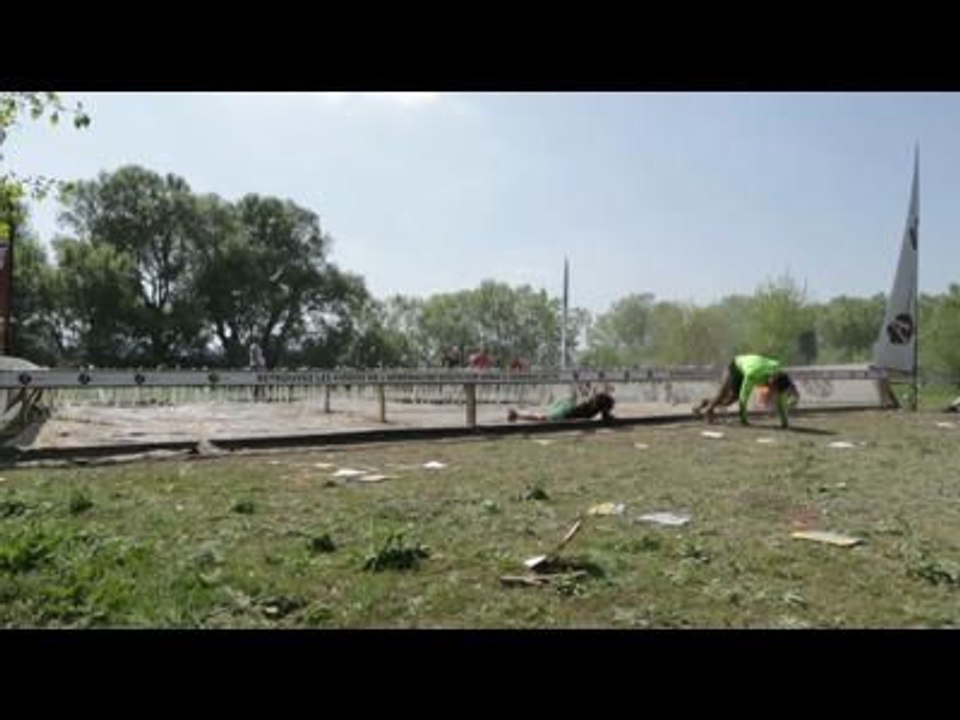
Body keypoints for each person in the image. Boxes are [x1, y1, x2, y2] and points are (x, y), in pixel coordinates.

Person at [693, 353, 800, 428]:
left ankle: (705, 403)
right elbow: (743, 397)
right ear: (772, 382)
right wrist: (744, 420)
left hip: (751, 366)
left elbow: (780, 402)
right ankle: (708, 410)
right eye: (773, 390)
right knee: (723, 393)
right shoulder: (753, 374)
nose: (773, 393)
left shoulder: (779, 379)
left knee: (729, 401)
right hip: (737, 367)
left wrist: (785, 423)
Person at [507, 387, 615, 423]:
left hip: (567, 406)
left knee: (541, 415)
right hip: (566, 411)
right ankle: (517, 414)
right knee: (542, 418)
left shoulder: (592, 404)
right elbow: (607, 417)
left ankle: (518, 414)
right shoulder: (593, 407)